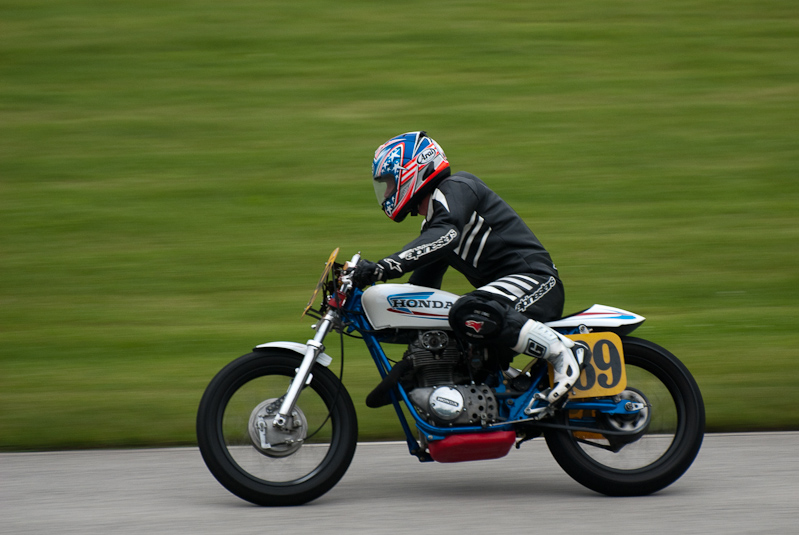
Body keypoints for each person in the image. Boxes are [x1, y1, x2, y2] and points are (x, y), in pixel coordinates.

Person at [352, 131, 585, 405]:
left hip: (536, 281)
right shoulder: (436, 223)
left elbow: (444, 235)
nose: (388, 192)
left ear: (414, 169)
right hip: (507, 294)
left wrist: (385, 267)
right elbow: (420, 291)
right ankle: (509, 386)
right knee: (451, 324)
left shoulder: (457, 188)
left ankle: (563, 353)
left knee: (467, 309)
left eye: (390, 183)